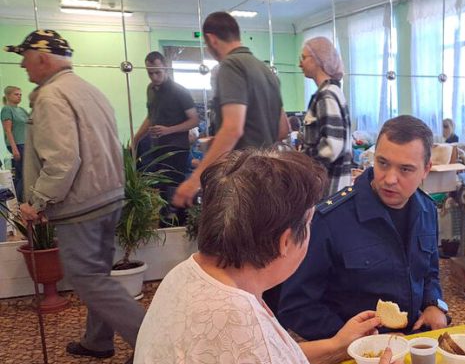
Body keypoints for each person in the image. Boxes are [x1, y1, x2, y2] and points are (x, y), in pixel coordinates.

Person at [115, 148, 409, 364]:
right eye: (310, 224)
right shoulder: (234, 321)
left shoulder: (191, 274)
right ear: (287, 241)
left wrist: (337, 347)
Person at [6, 29, 144, 364]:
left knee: (87, 278)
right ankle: (97, 341)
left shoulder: (52, 96)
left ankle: (151, 343)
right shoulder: (88, 90)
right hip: (107, 196)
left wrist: (36, 202)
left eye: (25, 58)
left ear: (42, 57)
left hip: (81, 202)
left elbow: (63, 161)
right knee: (96, 273)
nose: (23, 66)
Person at [278, 115, 449, 345]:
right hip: (352, 355)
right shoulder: (330, 219)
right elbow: (297, 306)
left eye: (406, 169)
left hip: (412, 343)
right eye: (383, 163)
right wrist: (362, 339)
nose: (389, 179)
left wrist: (433, 304)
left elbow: (429, 273)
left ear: (426, 170)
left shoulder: (427, 210)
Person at [173, 12, 289, 208]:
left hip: (241, 180)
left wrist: (194, 181)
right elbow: (283, 129)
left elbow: (233, 129)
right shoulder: (266, 71)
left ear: (211, 39)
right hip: (267, 177)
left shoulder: (230, 66)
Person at [132, 51, 199, 224]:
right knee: (163, 190)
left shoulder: (180, 92)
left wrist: (168, 130)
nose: (154, 77)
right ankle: (170, 224)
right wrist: (137, 137)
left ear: (165, 68)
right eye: (150, 73)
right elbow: (151, 116)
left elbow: (194, 120)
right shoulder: (151, 90)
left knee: (175, 190)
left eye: (158, 72)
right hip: (158, 148)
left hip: (177, 148)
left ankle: (179, 225)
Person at [299, 37, 352, 196]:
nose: (300, 64)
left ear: (318, 60)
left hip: (329, 190)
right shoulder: (332, 91)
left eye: (304, 58)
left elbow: (332, 146)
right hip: (333, 187)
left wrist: (301, 161)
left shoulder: (326, 95)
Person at [2, 85, 30, 200]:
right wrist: (14, 149)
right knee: (23, 174)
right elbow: (8, 130)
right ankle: (18, 202)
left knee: (25, 174)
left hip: (26, 144)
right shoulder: (7, 109)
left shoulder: (22, 110)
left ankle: (21, 201)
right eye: (16, 94)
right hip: (17, 144)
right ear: (8, 96)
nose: (19, 96)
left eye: (20, 95)